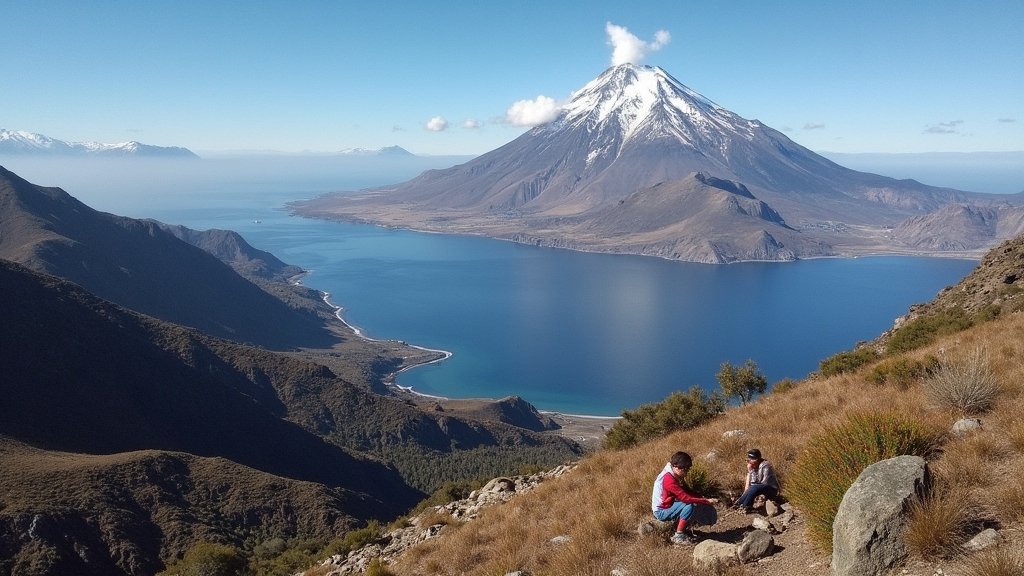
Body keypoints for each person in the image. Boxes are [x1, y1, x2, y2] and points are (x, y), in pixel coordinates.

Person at [651, 451, 719, 545]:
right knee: (690, 505)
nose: (686, 472)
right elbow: (685, 498)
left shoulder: (672, 474)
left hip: (669, 505)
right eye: (684, 469)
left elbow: (684, 492)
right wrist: (705, 501)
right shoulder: (668, 479)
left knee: (693, 504)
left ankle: (685, 530)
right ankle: (678, 536)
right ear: (675, 466)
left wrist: (700, 498)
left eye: (688, 469)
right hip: (661, 511)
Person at [732, 448, 779, 513]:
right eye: (747, 461)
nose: (749, 463)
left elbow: (763, 483)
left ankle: (746, 506)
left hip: (771, 490)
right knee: (752, 488)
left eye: (750, 461)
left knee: (755, 487)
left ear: (757, 460)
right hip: (759, 488)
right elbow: (752, 484)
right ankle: (739, 504)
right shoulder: (754, 466)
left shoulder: (766, 465)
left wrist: (752, 471)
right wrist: (751, 471)